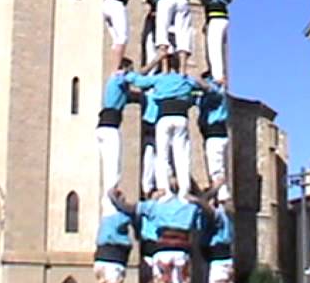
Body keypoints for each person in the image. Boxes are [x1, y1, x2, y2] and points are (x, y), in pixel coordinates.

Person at [110, 184, 202, 283]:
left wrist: (112, 196)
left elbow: (128, 208)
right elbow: (204, 218)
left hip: (161, 251)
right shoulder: (190, 207)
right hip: (181, 252)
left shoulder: (154, 206)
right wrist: (199, 201)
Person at [126, 69, 201, 198]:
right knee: (182, 155)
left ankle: (164, 189)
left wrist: (128, 74)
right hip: (181, 118)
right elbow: (199, 89)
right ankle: (185, 189)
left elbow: (138, 81)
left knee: (162, 155)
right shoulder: (185, 79)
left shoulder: (159, 79)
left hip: (164, 118)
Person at [98, 58, 136, 213]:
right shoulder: (118, 78)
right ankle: (110, 206)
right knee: (113, 170)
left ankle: (109, 203)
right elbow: (141, 79)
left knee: (110, 169)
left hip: (104, 128)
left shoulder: (118, 86)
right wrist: (156, 61)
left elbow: (135, 95)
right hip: (110, 128)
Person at [201, 189, 244, 283]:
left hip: (218, 260)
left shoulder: (220, 214)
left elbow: (207, 209)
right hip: (226, 259)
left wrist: (196, 200)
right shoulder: (229, 217)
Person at [103, 0, 144, 71]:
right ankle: (116, 70)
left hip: (107, 3)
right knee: (122, 38)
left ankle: (114, 67)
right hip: (117, 3)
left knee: (116, 40)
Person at [196, 71, 230, 202]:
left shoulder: (216, 92)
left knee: (216, 169)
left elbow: (210, 90)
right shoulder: (204, 96)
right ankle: (219, 193)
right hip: (211, 134)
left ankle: (221, 195)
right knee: (215, 166)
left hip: (215, 134)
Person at [87, 208, 134, 283]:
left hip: (102, 258)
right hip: (114, 258)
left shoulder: (107, 220)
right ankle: (104, 282)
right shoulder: (114, 219)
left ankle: (103, 282)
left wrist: (101, 282)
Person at [199, 0, 233, 82]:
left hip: (217, 18)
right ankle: (215, 73)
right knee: (213, 46)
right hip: (219, 18)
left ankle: (217, 76)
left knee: (214, 46)